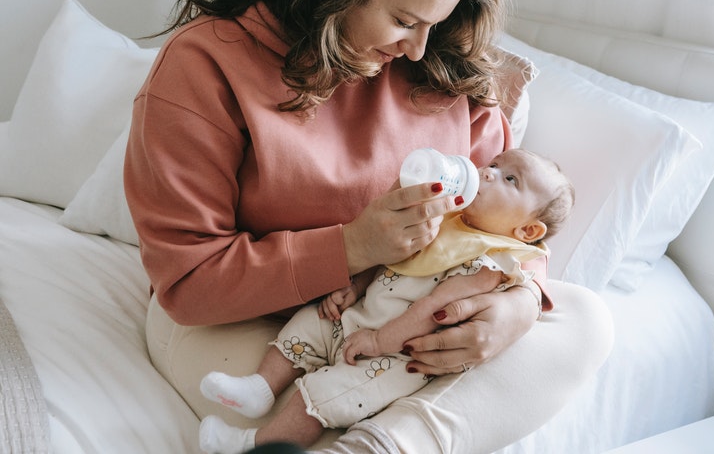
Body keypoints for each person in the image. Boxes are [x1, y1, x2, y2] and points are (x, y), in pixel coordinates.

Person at [123, 0, 613, 454]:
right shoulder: (205, 65)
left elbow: (508, 232)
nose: (418, 47)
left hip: (394, 314)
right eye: (404, 20)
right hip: (240, 322)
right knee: (314, 403)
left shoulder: (439, 65)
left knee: (584, 319)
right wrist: (353, 247)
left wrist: (521, 302)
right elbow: (190, 281)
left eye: (433, 25)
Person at [198, 149, 575, 453]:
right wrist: (355, 285)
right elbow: (390, 254)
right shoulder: (446, 215)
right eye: (493, 164)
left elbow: (432, 310)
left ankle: (251, 445)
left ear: (527, 231)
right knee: (308, 325)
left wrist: (380, 342)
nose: (488, 172)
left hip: (393, 356)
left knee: (319, 398)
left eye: (510, 179)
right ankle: (259, 388)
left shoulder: (490, 262)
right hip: (358, 317)